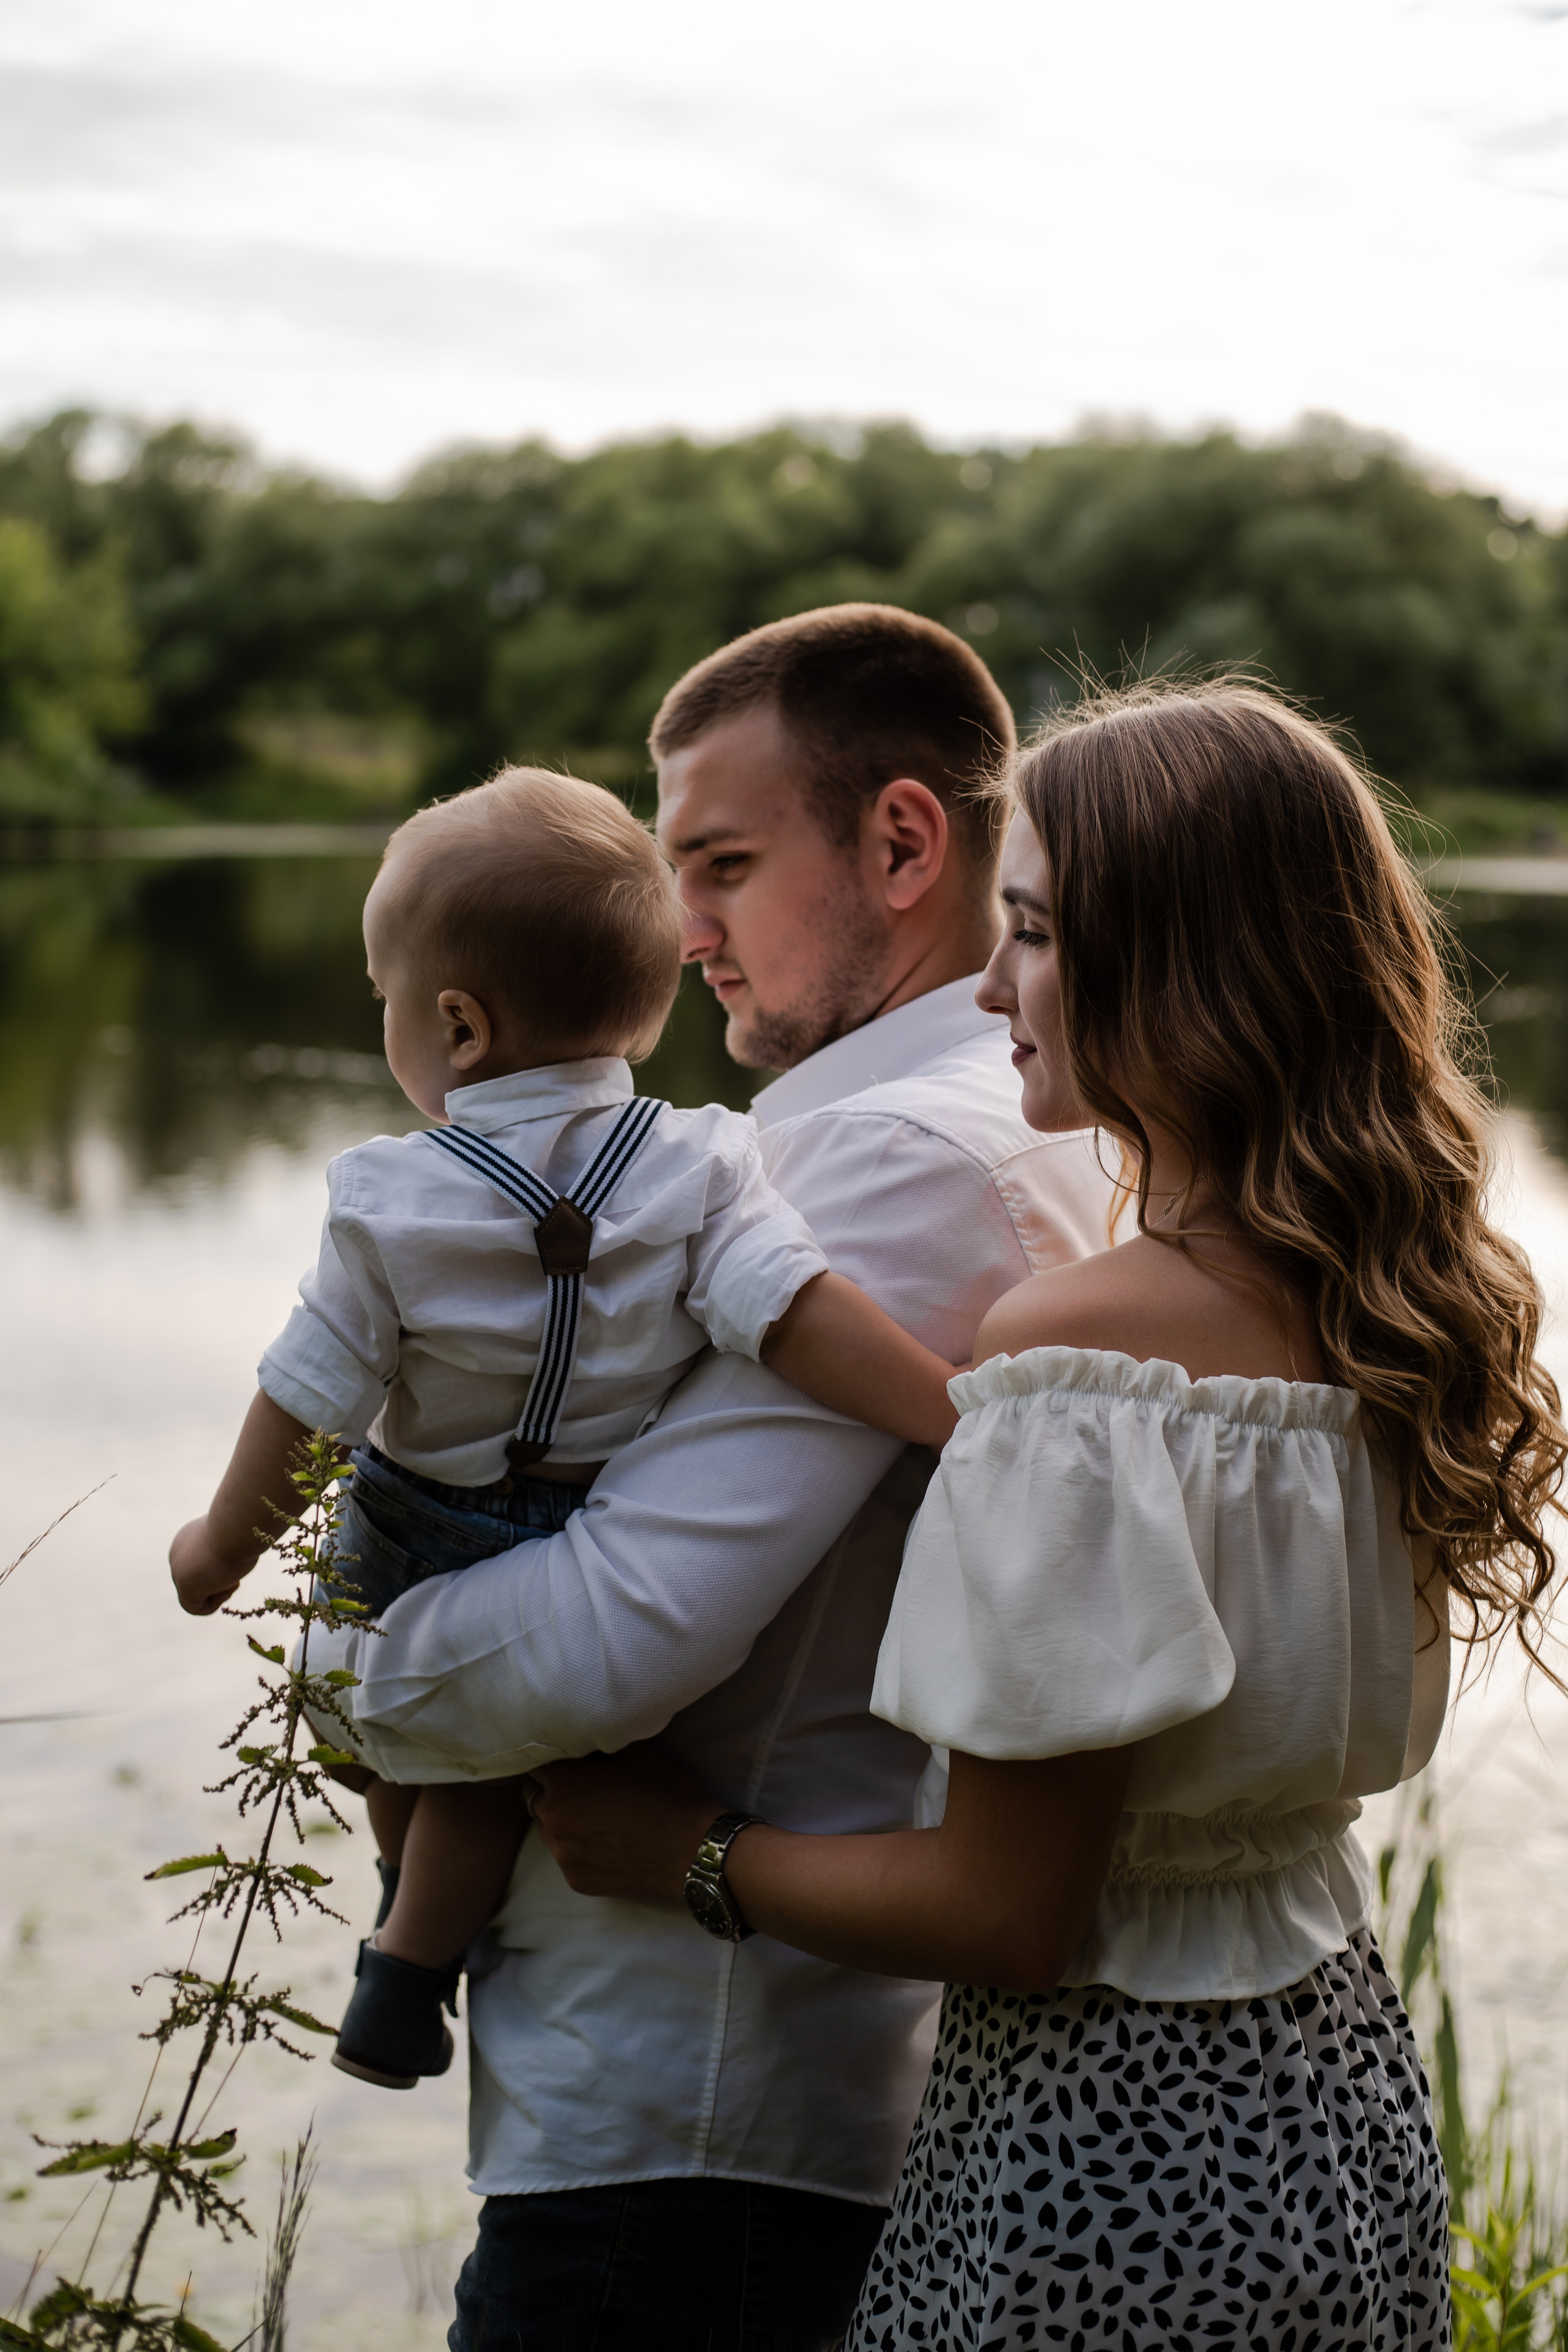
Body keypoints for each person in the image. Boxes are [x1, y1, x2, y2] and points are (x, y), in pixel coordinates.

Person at [525, 677, 1567, 2352]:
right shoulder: (1393, 1326)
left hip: (1112, 2152)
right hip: (1343, 2110)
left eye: (1036, 934)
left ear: (1189, 971)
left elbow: (1010, 1912)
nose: (996, 984)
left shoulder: (1079, 1362)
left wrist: (693, 1854)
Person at [292, 605, 1117, 2350]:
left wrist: (340, 1673)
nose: (683, 933)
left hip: (689, 2115)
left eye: (724, 864)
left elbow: (616, 1632)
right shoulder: (965, 1112)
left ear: (903, 842)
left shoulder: (885, 1157)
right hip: (700, 2097)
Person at [166, 764, 969, 2092]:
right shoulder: (705, 1165)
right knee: (494, 1756)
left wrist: (220, 1551)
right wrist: (949, 1413)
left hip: (403, 1522)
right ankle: (410, 1963)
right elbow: (798, 1317)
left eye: (387, 1009)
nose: (390, 1032)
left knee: (353, 1717)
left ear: (460, 1028)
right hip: (569, 1523)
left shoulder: (389, 1201)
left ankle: (401, 1907)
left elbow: (308, 1401)